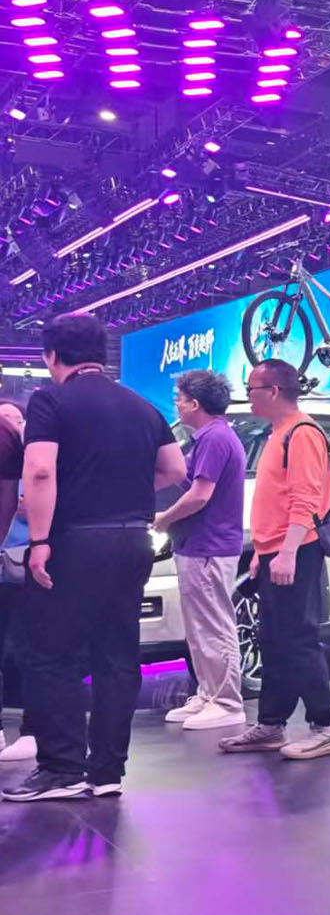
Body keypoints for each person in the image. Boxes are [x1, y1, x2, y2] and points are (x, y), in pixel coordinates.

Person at [4, 313, 185, 802]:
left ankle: (61, 768)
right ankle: (107, 771)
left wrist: (39, 539)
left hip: (75, 540)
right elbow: (175, 468)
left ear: (52, 356)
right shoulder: (140, 405)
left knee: (50, 653)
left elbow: (40, 471)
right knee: (116, 655)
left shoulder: (51, 400)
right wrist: (119, 487)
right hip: (133, 539)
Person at [218, 359, 330, 760]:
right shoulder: (279, 433)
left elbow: (305, 499)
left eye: (251, 389)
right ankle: (271, 724)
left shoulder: (302, 433)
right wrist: (263, 551)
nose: (247, 396)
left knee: (298, 640)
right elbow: (277, 499)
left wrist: (287, 551)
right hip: (275, 550)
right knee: (274, 640)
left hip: (298, 549)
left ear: (272, 391)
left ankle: (327, 726)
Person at [153, 370, 249, 731]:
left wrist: (164, 518)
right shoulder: (207, 438)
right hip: (196, 545)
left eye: (179, 399)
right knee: (199, 628)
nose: (176, 404)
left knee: (214, 625)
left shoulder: (215, 439)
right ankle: (209, 693)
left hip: (210, 546)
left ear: (195, 403)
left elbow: (199, 495)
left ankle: (227, 701)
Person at [0, 399, 27, 764]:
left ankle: (28, 728)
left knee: (20, 648)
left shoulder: (34, 460)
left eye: (15, 420)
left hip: (22, 562)